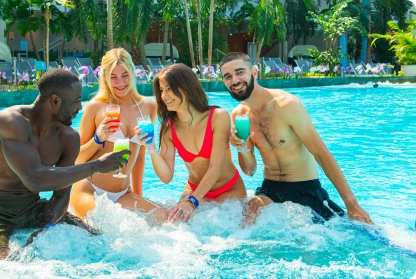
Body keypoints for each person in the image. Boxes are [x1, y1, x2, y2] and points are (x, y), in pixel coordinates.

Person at [0, 69, 131, 260]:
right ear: (55, 101)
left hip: (33, 208)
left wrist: (48, 228)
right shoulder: (10, 122)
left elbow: (62, 194)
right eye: (76, 100)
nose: (80, 107)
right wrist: (95, 166)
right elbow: (34, 179)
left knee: (100, 241)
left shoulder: (68, 138)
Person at [220, 52, 373, 226]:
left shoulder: (287, 105)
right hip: (270, 189)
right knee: (247, 219)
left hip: (305, 188)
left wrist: (352, 204)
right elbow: (250, 170)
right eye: (228, 77)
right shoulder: (239, 115)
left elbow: (321, 153)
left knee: (361, 231)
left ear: (254, 73)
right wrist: (241, 147)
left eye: (240, 72)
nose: (234, 80)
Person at [135, 63, 247, 223]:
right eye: (161, 90)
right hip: (194, 191)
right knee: (170, 223)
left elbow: (214, 169)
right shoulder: (169, 128)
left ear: (186, 88)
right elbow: (166, 177)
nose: (164, 95)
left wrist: (192, 202)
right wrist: (151, 147)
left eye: (169, 89)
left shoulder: (218, 117)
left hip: (229, 190)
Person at [69, 48, 167, 221]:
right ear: (105, 78)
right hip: (89, 190)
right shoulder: (96, 107)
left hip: (123, 193)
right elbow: (75, 161)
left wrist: (138, 196)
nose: (120, 82)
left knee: (164, 216)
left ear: (132, 73)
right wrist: (98, 138)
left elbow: (140, 158)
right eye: (113, 77)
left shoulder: (148, 106)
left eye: (125, 75)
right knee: (111, 224)